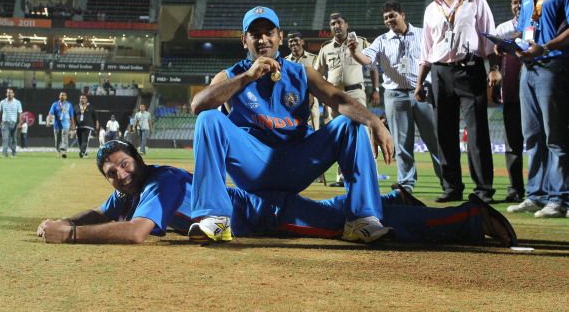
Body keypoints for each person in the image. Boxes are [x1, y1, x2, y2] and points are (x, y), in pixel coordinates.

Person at [36, 140, 516, 247]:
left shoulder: (159, 184)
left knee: (351, 230)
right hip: (266, 206)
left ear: (137, 160)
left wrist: (71, 237)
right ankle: (396, 204)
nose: (119, 174)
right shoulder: (134, 185)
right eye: (112, 172)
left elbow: (137, 232)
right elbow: (106, 211)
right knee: (336, 211)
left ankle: (468, 219)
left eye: (123, 164)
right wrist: (72, 219)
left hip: (267, 215)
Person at [189, 6, 394, 244]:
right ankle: (215, 218)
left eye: (269, 32)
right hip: (253, 164)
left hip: (296, 162)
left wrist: (373, 121)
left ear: (280, 37)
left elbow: (337, 99)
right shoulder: (231, 75)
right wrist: (248, 77)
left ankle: (362, 220)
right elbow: (198, 105)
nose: (263, 39)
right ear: (245, 41)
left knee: (351, 123)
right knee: (208, 118)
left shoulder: (302, 73)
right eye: (255, 34)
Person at [415, 0, 502, 204]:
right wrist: (420, 83)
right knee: (444, 133)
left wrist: (494, 69)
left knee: (477, 132)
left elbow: (490, 37)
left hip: (470, 70)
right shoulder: (431, 10)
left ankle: (484, 190)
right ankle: (452, 187)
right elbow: (426, 50)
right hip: (440, 73)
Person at [349, 1, 443, 193]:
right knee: (402, 143)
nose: (389, 20)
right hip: (395, 95)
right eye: (386, 18)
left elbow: (436, 56)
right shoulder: (381, 40)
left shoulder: (422, 33)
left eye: (392, 16)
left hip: (422, 92)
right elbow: (367, 59)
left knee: (435, 140)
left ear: (403, 15)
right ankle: (406, 183)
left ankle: (448, 182)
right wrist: (354, 51)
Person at [506, 0, 569, 218]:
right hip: (527, 69)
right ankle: (536, 194)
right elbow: (523, 29)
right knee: (531, 135)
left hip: (552, 66)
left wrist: (543, 47)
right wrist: (513, 45)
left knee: (554, 136)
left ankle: (559, 198)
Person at [314, 12, 376, 187]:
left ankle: (367, 174)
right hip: (333, 96)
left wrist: (376, 89)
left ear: (346, 24)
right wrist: (319, 94)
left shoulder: (361, 42)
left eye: (339, 22)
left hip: (355, 93)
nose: (336, 26)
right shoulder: (325, 48)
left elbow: (373, 64)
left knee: (362, 134)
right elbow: (317, 73)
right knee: (338, 136)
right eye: (333, 23)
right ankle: (341, 177)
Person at [494, 0, 526, 203]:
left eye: (521, 2)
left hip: (534, 94)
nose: (517, 6)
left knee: (540, 142)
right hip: (512, 95)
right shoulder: (503, 29)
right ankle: (515, 188)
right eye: (515, 2)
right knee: (512, 144)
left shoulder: (539, 26)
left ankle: (542, 188)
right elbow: (494, 62)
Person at [285, 32, 321, 131]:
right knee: (294, 130)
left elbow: (319, 81)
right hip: (292, 99)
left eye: (295, 40)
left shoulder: (314, 59)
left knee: (314, 130)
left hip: (311, 97)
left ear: (302, 42)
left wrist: (312, 96)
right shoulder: (285, 61)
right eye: (290, 41)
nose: (293, 43)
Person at [47, 91, 75, 158]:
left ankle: (63, 152)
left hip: (66, 125)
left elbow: (71, 116)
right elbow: (50, 113)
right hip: (57, 125)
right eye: (61, 95)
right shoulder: (55, 104)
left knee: (64, 138)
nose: (62, 96)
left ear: (66, 97)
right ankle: (58, 151)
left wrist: (73, 124)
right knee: (57, 141)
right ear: (59, 96)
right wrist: (48, 121)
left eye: (64, 95)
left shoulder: (69, 105)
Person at [0, 88, 22, 158]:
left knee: (13, 139)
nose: (9, 94)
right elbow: (0, 112)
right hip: (5, 122)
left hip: (14, 123)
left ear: (13, 94)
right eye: (8, 93)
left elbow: (20, 113)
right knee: (5, 139)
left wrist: (20, 122)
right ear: (6, 94)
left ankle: (13, 153)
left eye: (11, 93)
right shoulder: (2, 102)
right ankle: (4, 154)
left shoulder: (17, 102)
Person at [74, 94, 99, 158]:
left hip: (88, 126)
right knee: (79, 140)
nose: (82, 99)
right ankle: (83, 152)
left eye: (83, 98)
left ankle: (82, 152)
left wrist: (97, 123)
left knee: (85, 140)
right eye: (81, 98)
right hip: (78, 126)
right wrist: (73, 125)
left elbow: (95, 117)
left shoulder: (91, 107)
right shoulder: (76, 107)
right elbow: (73, 117)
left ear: (86, 100)